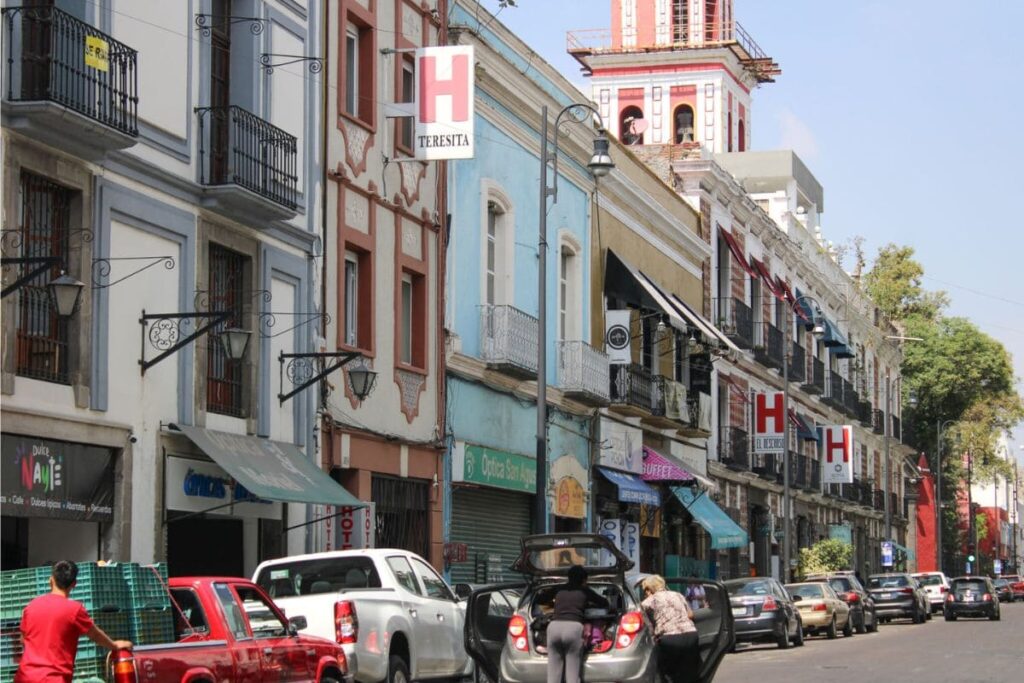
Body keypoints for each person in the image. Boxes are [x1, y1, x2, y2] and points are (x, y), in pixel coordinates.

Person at [15, 561, 133, 683]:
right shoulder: (74, 610)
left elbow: (23, 640)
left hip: (24, 677)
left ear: (51, 580)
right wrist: (114, 645)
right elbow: (95, 635)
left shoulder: (31, 606)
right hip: (53, 678)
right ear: (74, 584)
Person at [547, 565, 608, 683]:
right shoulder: (584, 590)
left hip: (553, 628)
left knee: (553, 677)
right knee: (572, 676)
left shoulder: (559, 588)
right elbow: (604, 602)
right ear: (584, 580)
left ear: (568, 578)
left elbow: (539, 599)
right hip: (573, 629)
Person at [641, 575, 700, 683]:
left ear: (649, 589)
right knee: (689, 673)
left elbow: (648, 627)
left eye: (645, 590)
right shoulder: (678, 594)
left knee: (669, 675)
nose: (645, 593)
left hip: (670, 640)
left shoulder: (647, 603)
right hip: (691, 635)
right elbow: (690, 615)